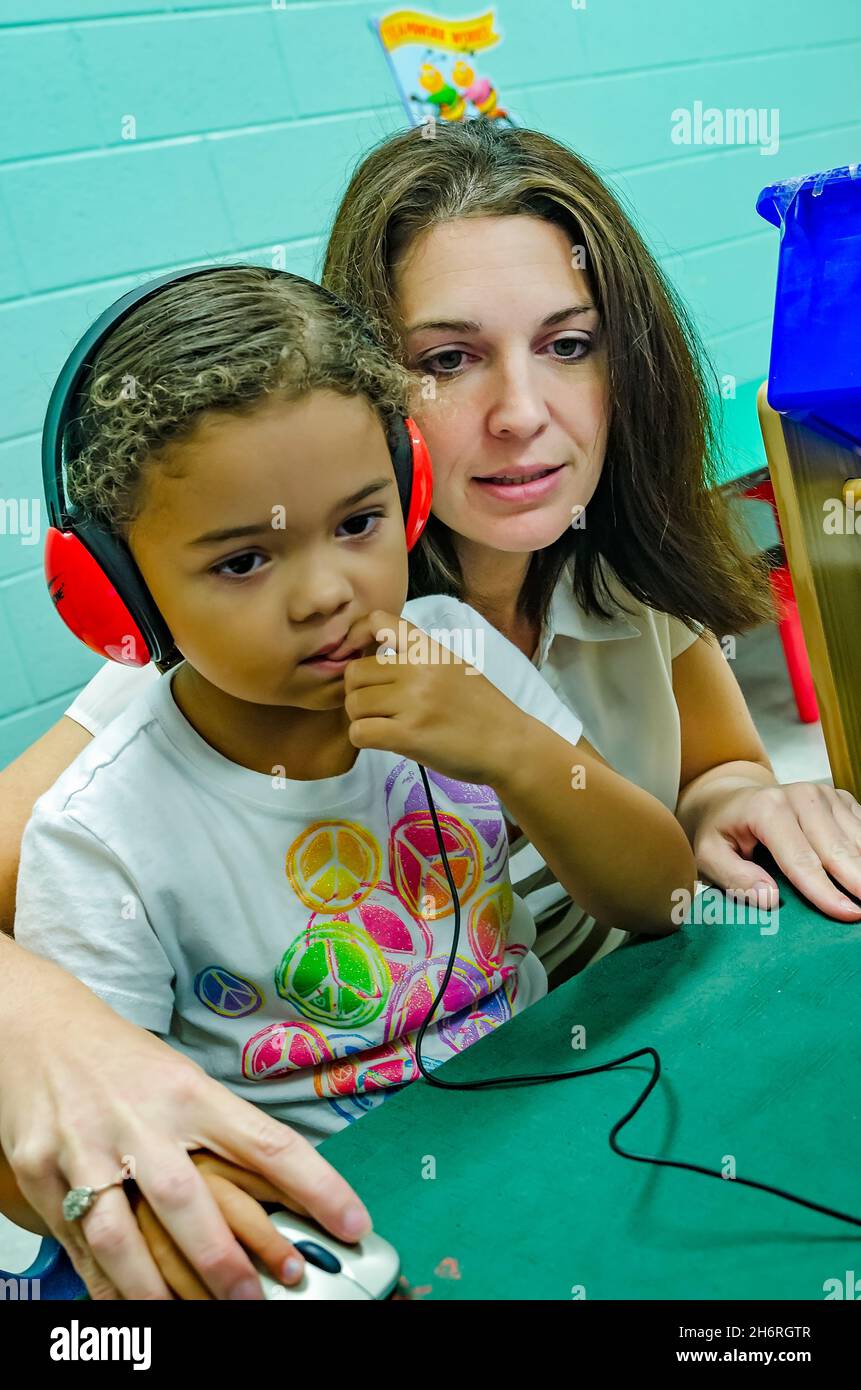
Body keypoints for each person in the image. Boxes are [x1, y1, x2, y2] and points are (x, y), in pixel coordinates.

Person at [4, 120, 860, 1298]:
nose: (521, 413)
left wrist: (743, 793)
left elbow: (704, 782)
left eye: (568, 344)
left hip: (558, 1084)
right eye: (449, 358)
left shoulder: (609, 558)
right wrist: (39, 1023)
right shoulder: (221, 673)